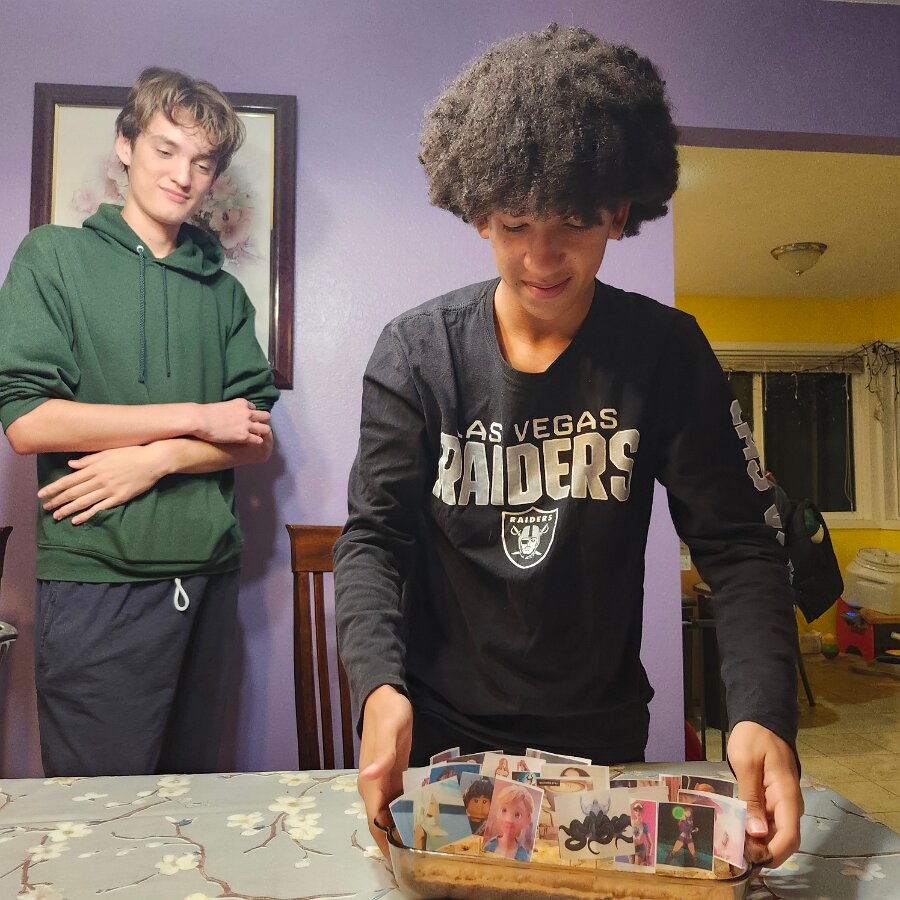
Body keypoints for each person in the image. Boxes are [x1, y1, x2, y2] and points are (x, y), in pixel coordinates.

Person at [333, 24, 802, 868]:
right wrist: (378, 687)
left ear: (618, 213)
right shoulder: (417, 354)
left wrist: (762, 713)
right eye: (515, 224)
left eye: (574, 223)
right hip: (443, 741)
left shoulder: (665, 353)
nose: (541, 258)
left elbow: (739, 542)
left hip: (603, 744)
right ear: (479, 212)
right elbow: (374, 539)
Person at [0, 67, 279, 777]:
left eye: (202, 162)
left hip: (208, 578)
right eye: (165, 149)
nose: (183, 175)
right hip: (96, 578)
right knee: (98, 813)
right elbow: (29, 422)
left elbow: (252, 437)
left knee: (189, 809)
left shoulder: (224, 293)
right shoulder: (53, 257)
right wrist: (194, 418)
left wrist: (158, 459)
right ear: (125, 146)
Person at [481, 783, 535, 861]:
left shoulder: (523, 854)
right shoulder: (489, 845)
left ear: (527, 820)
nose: (508, 820)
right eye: (504, 810)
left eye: (517, 815)